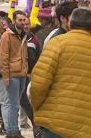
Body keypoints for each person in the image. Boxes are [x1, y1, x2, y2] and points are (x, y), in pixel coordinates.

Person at [30, 8, 91, 138]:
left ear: (70, 24)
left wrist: (37, 107)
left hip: (55, 122)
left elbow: (38, 83)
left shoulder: (57, 43)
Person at [0, 10, 28, 138]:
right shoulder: (7, 35)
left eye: (24, 20)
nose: (22, 22)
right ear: (14, 21)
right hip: (12, 73)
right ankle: (14, 131)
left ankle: (11, 131)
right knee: (13, 103)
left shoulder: (23, 35)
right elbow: (2, 56)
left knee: (15, 102)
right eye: (20, 20)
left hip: (22, 73)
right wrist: (5, 75)